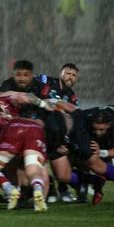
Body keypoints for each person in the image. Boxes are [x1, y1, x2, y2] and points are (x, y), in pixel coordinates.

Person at [44, 102, 114, 207]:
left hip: (73, 136)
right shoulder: (84, 115)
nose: (97, 132)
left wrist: (102, 152)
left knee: (95, 165)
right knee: (62, 175)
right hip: (54, 138)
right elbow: (72, 108)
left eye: (101, 129)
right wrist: (53, 101)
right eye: (95, 129)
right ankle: (96, 181)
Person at [39, 63, 80, 203]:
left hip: (56, 136)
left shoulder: (72, 97)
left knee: (68, 157)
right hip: (39, 130)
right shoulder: (46, 81)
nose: (71, 77)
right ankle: (48, 187)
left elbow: (73, 120)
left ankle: (65, 189)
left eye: (74, 75)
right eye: (68, 73)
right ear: (60, 73)